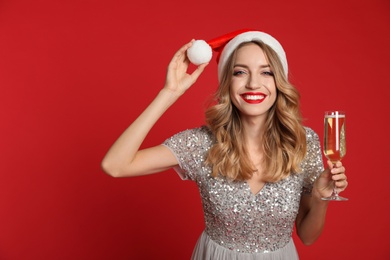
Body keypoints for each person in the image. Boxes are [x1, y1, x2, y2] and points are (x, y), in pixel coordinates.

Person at [101, 29, 348, 259]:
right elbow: (116, 165)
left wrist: (320, 198)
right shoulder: (200, 143)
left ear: (278, 82)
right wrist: (170, 93)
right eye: (240, 72)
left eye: (266, 72)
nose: (253, 83)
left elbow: (307, 236)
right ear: (227, 83)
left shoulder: (303, 142)